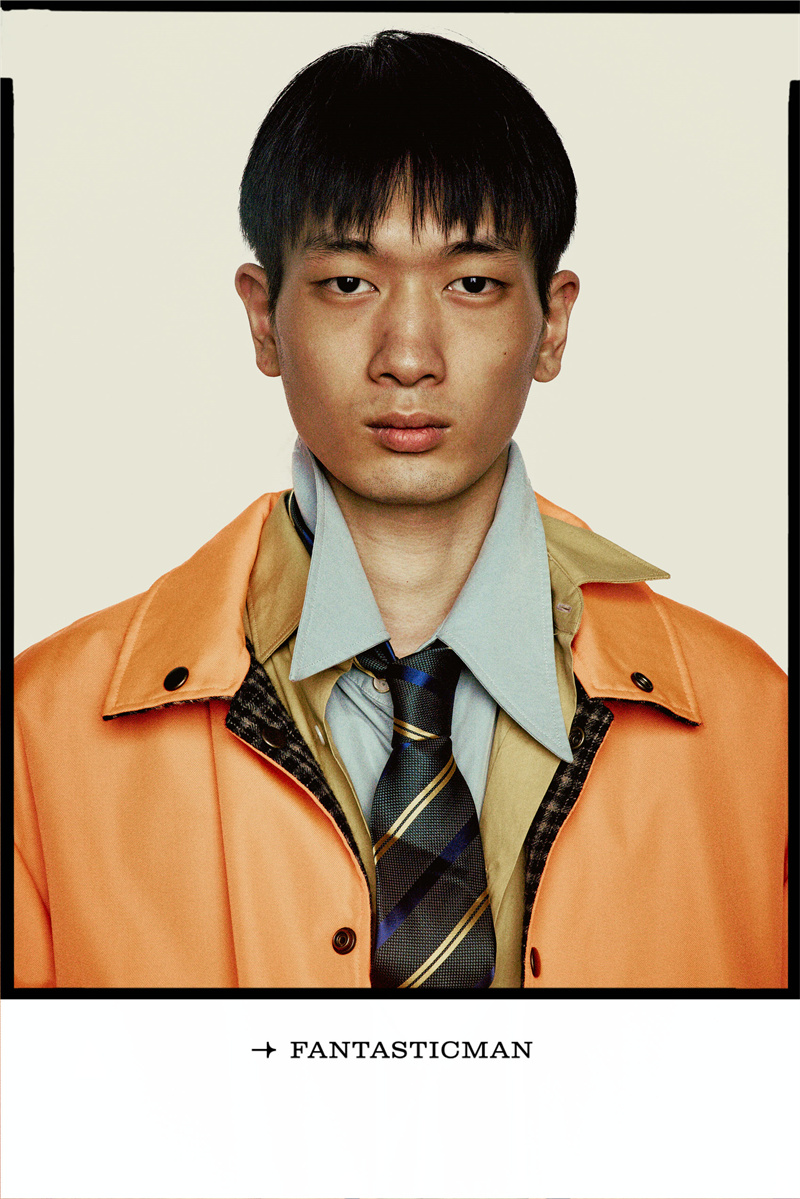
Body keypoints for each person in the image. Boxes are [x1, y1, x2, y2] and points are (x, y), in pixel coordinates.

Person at [13, 29, 786, 990]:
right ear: (263, 318)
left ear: (552, 323)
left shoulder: (758, 728)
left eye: (473, 284)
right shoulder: (38, 736)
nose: (409, 356)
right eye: (348, 283)